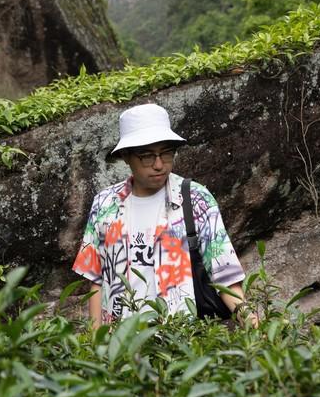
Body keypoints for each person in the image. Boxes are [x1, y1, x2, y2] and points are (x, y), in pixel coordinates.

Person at [72, 103, 256, 328]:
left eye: (166, 154)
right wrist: (96, 344)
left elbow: (224, 273)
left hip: (182, 338)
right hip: (121, 339)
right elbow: (96, 280)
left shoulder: (196, 199)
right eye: (147, 156)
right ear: (126, 156)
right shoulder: (105, 204)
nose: (159, 165)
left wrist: (252, 325)